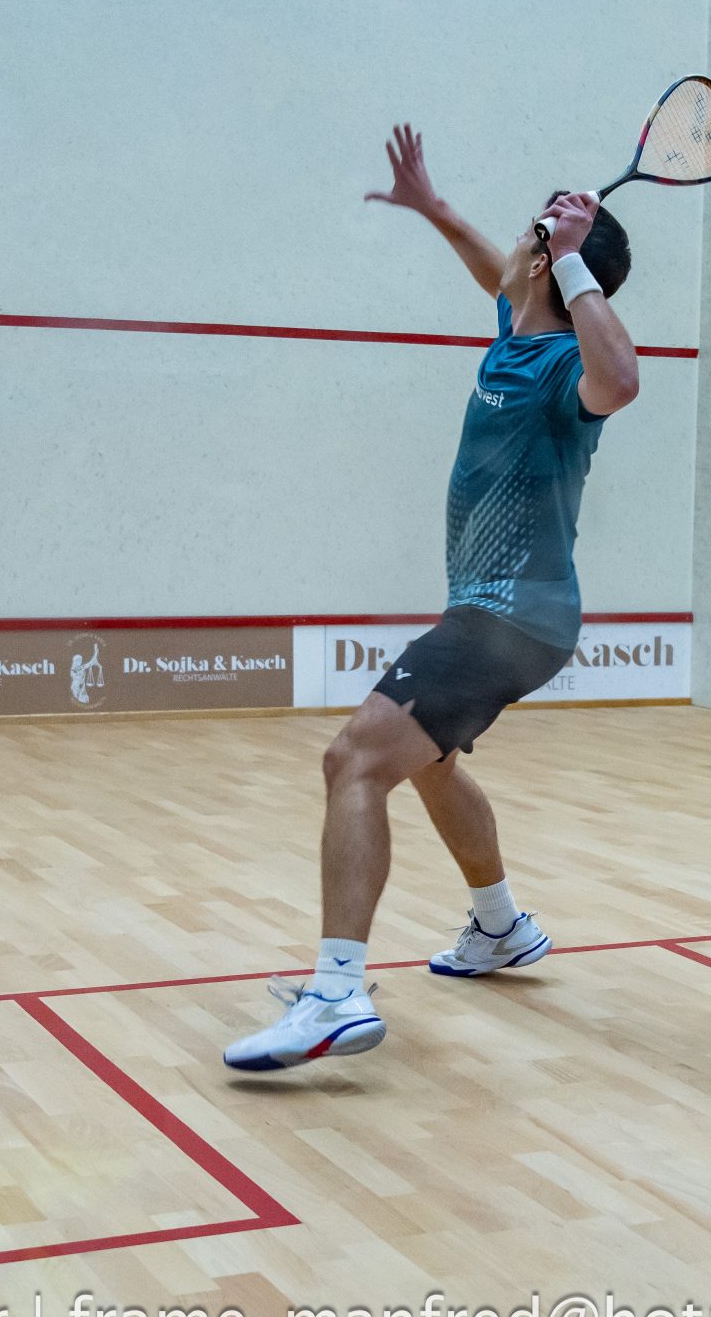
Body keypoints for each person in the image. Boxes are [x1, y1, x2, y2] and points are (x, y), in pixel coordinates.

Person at [227, 124, 637, 1070]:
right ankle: (500, 926)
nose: (519, 246)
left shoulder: (565, 369)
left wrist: (573, 258)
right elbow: (501, 274)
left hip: (512, 616)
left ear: (554, 263)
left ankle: (336, 993)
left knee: (354, 759)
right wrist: (435, 206)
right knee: (429, 760)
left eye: (532, 238)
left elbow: (622, 380)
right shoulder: (517, 332)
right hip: (493, 612)